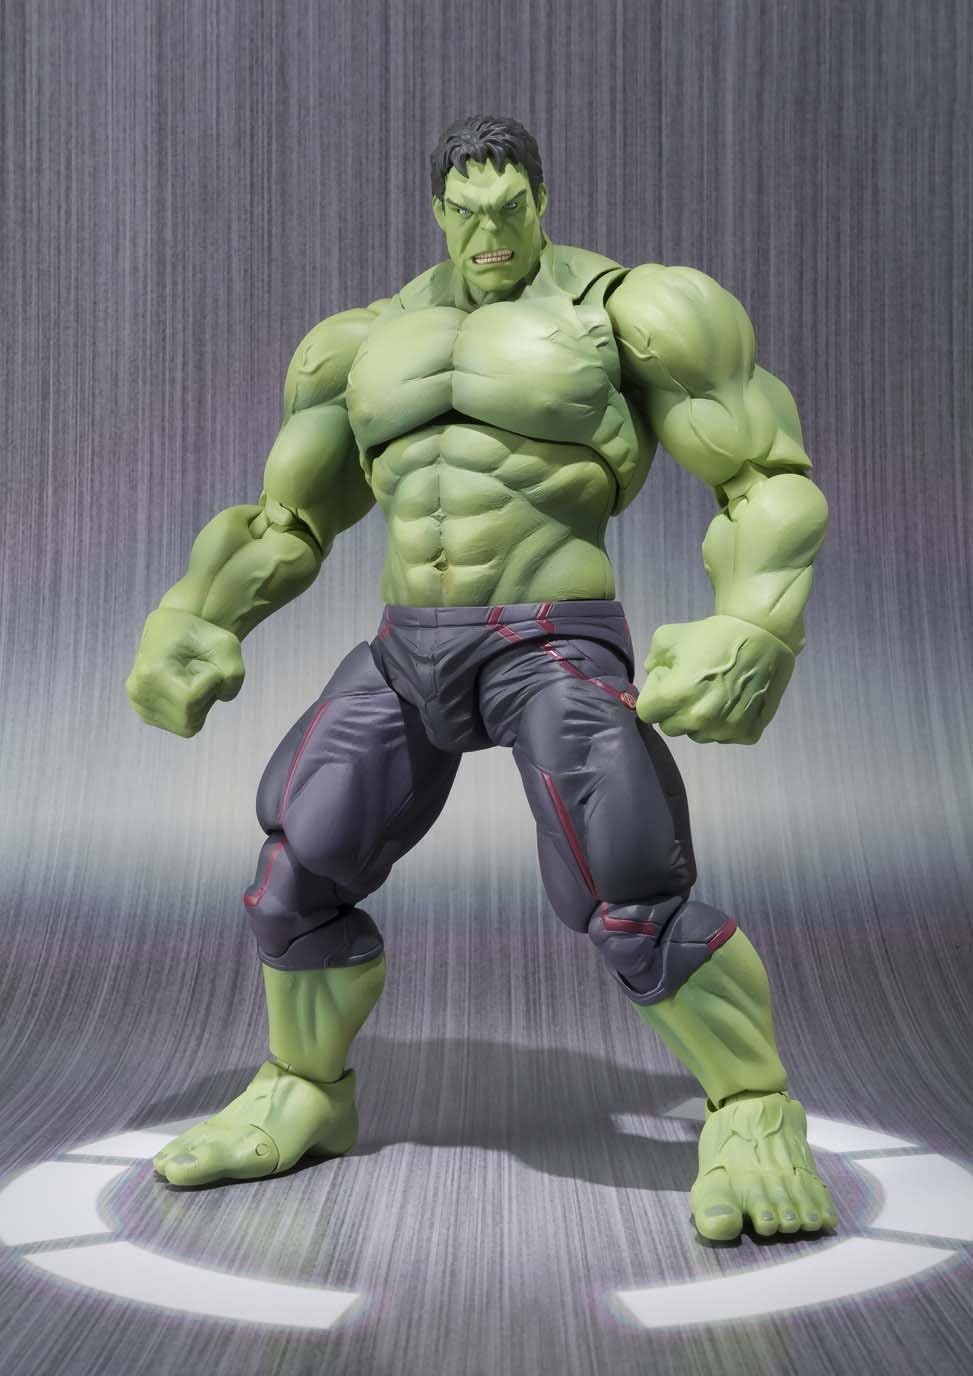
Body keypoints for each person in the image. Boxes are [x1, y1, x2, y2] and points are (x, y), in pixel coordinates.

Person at [126, 114, 836, 1241]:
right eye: (466, 213)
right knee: (297, 866)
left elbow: (764, 477)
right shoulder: (359, 342)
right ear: (436, 212)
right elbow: (286, 519)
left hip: (549, 639)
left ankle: (752, 1111)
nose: (488, 231)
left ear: (540, 199)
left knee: (630, 886)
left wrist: (755, 622)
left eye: (509, 208)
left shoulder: (633, 311)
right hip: (407, 646)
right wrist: (196, 613)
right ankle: (305, 1089)